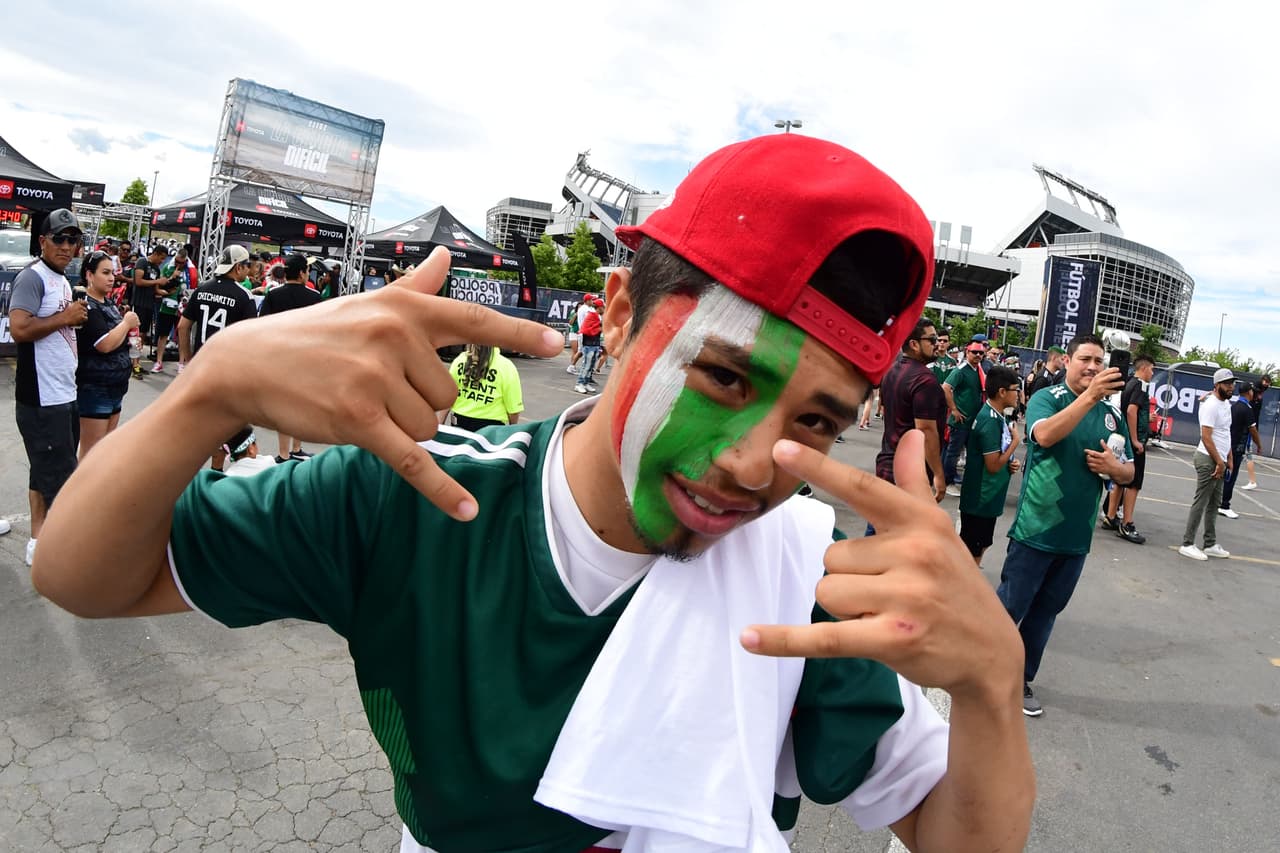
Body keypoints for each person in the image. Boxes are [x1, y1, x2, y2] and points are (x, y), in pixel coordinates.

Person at [33, 135, 1033, 853]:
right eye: (725, 377)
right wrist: (209, 388)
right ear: (617, 314)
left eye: (813, 422)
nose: (749, 464)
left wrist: (990, 684)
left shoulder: (801, 578)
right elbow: (78, 574)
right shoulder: (418, 493)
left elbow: (950, 830)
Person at [996, 332, 1133, 717]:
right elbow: (1043, 435)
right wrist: (1089, 397)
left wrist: (1115, 468)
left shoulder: (1111, 415)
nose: (1093, 366)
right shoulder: (1048, 397)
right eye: (1085, 359)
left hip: (1076, 538)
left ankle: (1020, 680)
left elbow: (1129, 471)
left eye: (1099, 361)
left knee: (1045, 613)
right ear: (1068, 361)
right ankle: (979, 671)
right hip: (1036, 530)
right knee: (1009, 607)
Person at [7, 208, 89, 567]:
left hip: (63, 393)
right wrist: (64, 317)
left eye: (74, 240)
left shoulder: (63, 279)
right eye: (60, 238)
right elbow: (20, 329)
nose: (67, 246)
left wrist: (71, 320)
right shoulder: (32, 277)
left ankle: (38, 541)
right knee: (62, 480)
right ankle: (65, 556)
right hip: (43, 399)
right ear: (43, 241)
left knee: (43, 472)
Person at [178, 244, 259, 472]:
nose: (249, 270)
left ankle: (186, 473)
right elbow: (251, 337)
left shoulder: (202, 289)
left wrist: (186, 359)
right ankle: (215, 473)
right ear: (238, 267)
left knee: (199, 422)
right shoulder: (244, 296)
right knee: (225, 425)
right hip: (227, 371)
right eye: (247, 265)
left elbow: (183, 326)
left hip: (200, 366)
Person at [258, 253, 323, 462]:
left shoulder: (273, 295)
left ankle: (284, 452)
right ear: (302, 273)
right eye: (307, 270)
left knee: (283, 407)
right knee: (300, 405)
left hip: (279, 356)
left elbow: (262, 326)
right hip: (304, 358)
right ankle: (296, 448)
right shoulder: (314, 297)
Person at [874, 318, 946, 506]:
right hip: (910, 473)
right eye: (932, 339)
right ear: (914, 344)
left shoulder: (892, 370)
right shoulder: (924, 380)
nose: (937, 344)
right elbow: (926, 431)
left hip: (887, 463)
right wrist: (938, 474)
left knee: (881, 521)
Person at [76, 250, 140, 459]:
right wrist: (126, 323)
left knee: (104, 451)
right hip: (95, 388)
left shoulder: (108, 302)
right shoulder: (87, 305)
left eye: (112, 272)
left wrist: (130, 341)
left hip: (116, 386)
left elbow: (116, 338)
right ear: (89, 275)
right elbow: (104, 344)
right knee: (91, 453)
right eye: (105, 273)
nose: (112, 278)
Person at [958, 367, 1023, 564]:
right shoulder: (989, 420)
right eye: (1015, 389)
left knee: (981, 544)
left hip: (988, 496)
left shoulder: (998, 415)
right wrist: (1015, 444)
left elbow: (998, 455)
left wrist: (1010, 462)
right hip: (981, 497)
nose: (1018, 394)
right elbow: (993, 466)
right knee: (972, 551)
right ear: (1002, 392)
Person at [1178, 368, 1236, 560]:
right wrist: (1219, 461)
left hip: (1219, 459)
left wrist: (1228, 457)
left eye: (1232, 383)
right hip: (1207, 459)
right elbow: (1206, 437)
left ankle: (1210, 543)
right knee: (1201, 502)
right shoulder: (1211, 405)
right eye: (1227, 383)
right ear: (1217, 385)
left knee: (1214, 503)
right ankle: (1187, 543)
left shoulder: (1225, 403)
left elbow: (1225, 432)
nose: (1231, 386)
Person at [1101, 355, 1155, 543]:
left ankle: (1110, 516)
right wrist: (1135, 439)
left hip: (1124, 439)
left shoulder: (1129, 383)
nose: (1152, 373)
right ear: (1144, 368)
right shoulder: (1140, 386)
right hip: (1134, 442)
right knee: (1134, 484)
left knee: (1119, 480)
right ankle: (1127, 523)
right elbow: (1132, 411)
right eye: (1152, 369)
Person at [941, 342, 987, 496]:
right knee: (953, 453)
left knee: (970, 453)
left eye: (981, 353)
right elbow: (946, 387)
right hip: (960, 421)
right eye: (975, 352)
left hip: (972, 420)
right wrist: (954, 409)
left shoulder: (978, 370)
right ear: (967, 352)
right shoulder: (961, 370)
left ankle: (961, 482)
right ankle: (947, 482)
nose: (978, 355)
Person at [445, 343, 525, 431]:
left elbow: (446, 400)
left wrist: (438, 430)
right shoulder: (506, 366)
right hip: (490, 430)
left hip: (459, 425)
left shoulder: (459, 361)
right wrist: (511, 431)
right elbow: (513, 410)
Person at [1218, 383, 1262, 519]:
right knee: (1231, 477)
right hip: (1237, 447)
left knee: (1223, 476)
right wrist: (1259, 444)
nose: (1253, 393)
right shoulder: (1247, 409)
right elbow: (1252, 429)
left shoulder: (1234, 406)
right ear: (1249, 392)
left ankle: (1217, 502)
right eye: (1252, 391)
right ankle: (1224, 505)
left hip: (1228, 445)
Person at [152, 247, 197, 374]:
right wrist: (172, 277)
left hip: (183, 308)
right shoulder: (168, 267)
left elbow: (193, 288)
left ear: (186, 261)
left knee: (183, 336)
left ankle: (181, 363)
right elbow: (160, 285)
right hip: (167, 305)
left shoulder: (191, 271)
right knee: (163, 334)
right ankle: (159, 361)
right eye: (176, 261)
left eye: (181, 262)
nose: (178, 264)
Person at [132, 243, 179, 360]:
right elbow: (138, 281)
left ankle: (136, 360)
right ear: (156, 254)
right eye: (161, 258)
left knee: (143, 333)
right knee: (137, 333)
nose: (162, 261)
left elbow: (156, 289)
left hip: (150, 304)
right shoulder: (142, 262)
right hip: (139, 302)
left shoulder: (157, 269)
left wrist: (167, 291)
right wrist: (157, 281)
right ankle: (133, 360)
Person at [1240, 373, 1271, 490]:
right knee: (1242, 453)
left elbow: (1253, 425)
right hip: (1248, 426)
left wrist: (1258, 444)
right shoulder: (1255, 390)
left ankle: (1252, 481)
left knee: (1248, 453)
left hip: (1249, 427)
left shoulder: (1253, 405)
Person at [573, 297, 604, 394]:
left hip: (595, 343)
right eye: (603, 307)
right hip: (589, 344)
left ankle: (585, 382)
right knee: (586, 365)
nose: (604, 309)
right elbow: (586, 329)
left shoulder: (597, 316)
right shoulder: (591, 315)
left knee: (591, 365)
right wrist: (599, 328)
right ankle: (579, 384)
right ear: (599, 307)